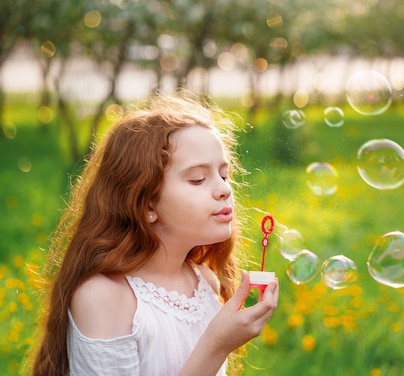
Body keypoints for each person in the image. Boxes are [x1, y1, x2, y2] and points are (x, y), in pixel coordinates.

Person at [25, 90, 279, 376]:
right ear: (147, 203)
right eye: (197, 179)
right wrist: (216, 345)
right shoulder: (105, 297)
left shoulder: (205, 283)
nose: (224, 189)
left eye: (223, 174)